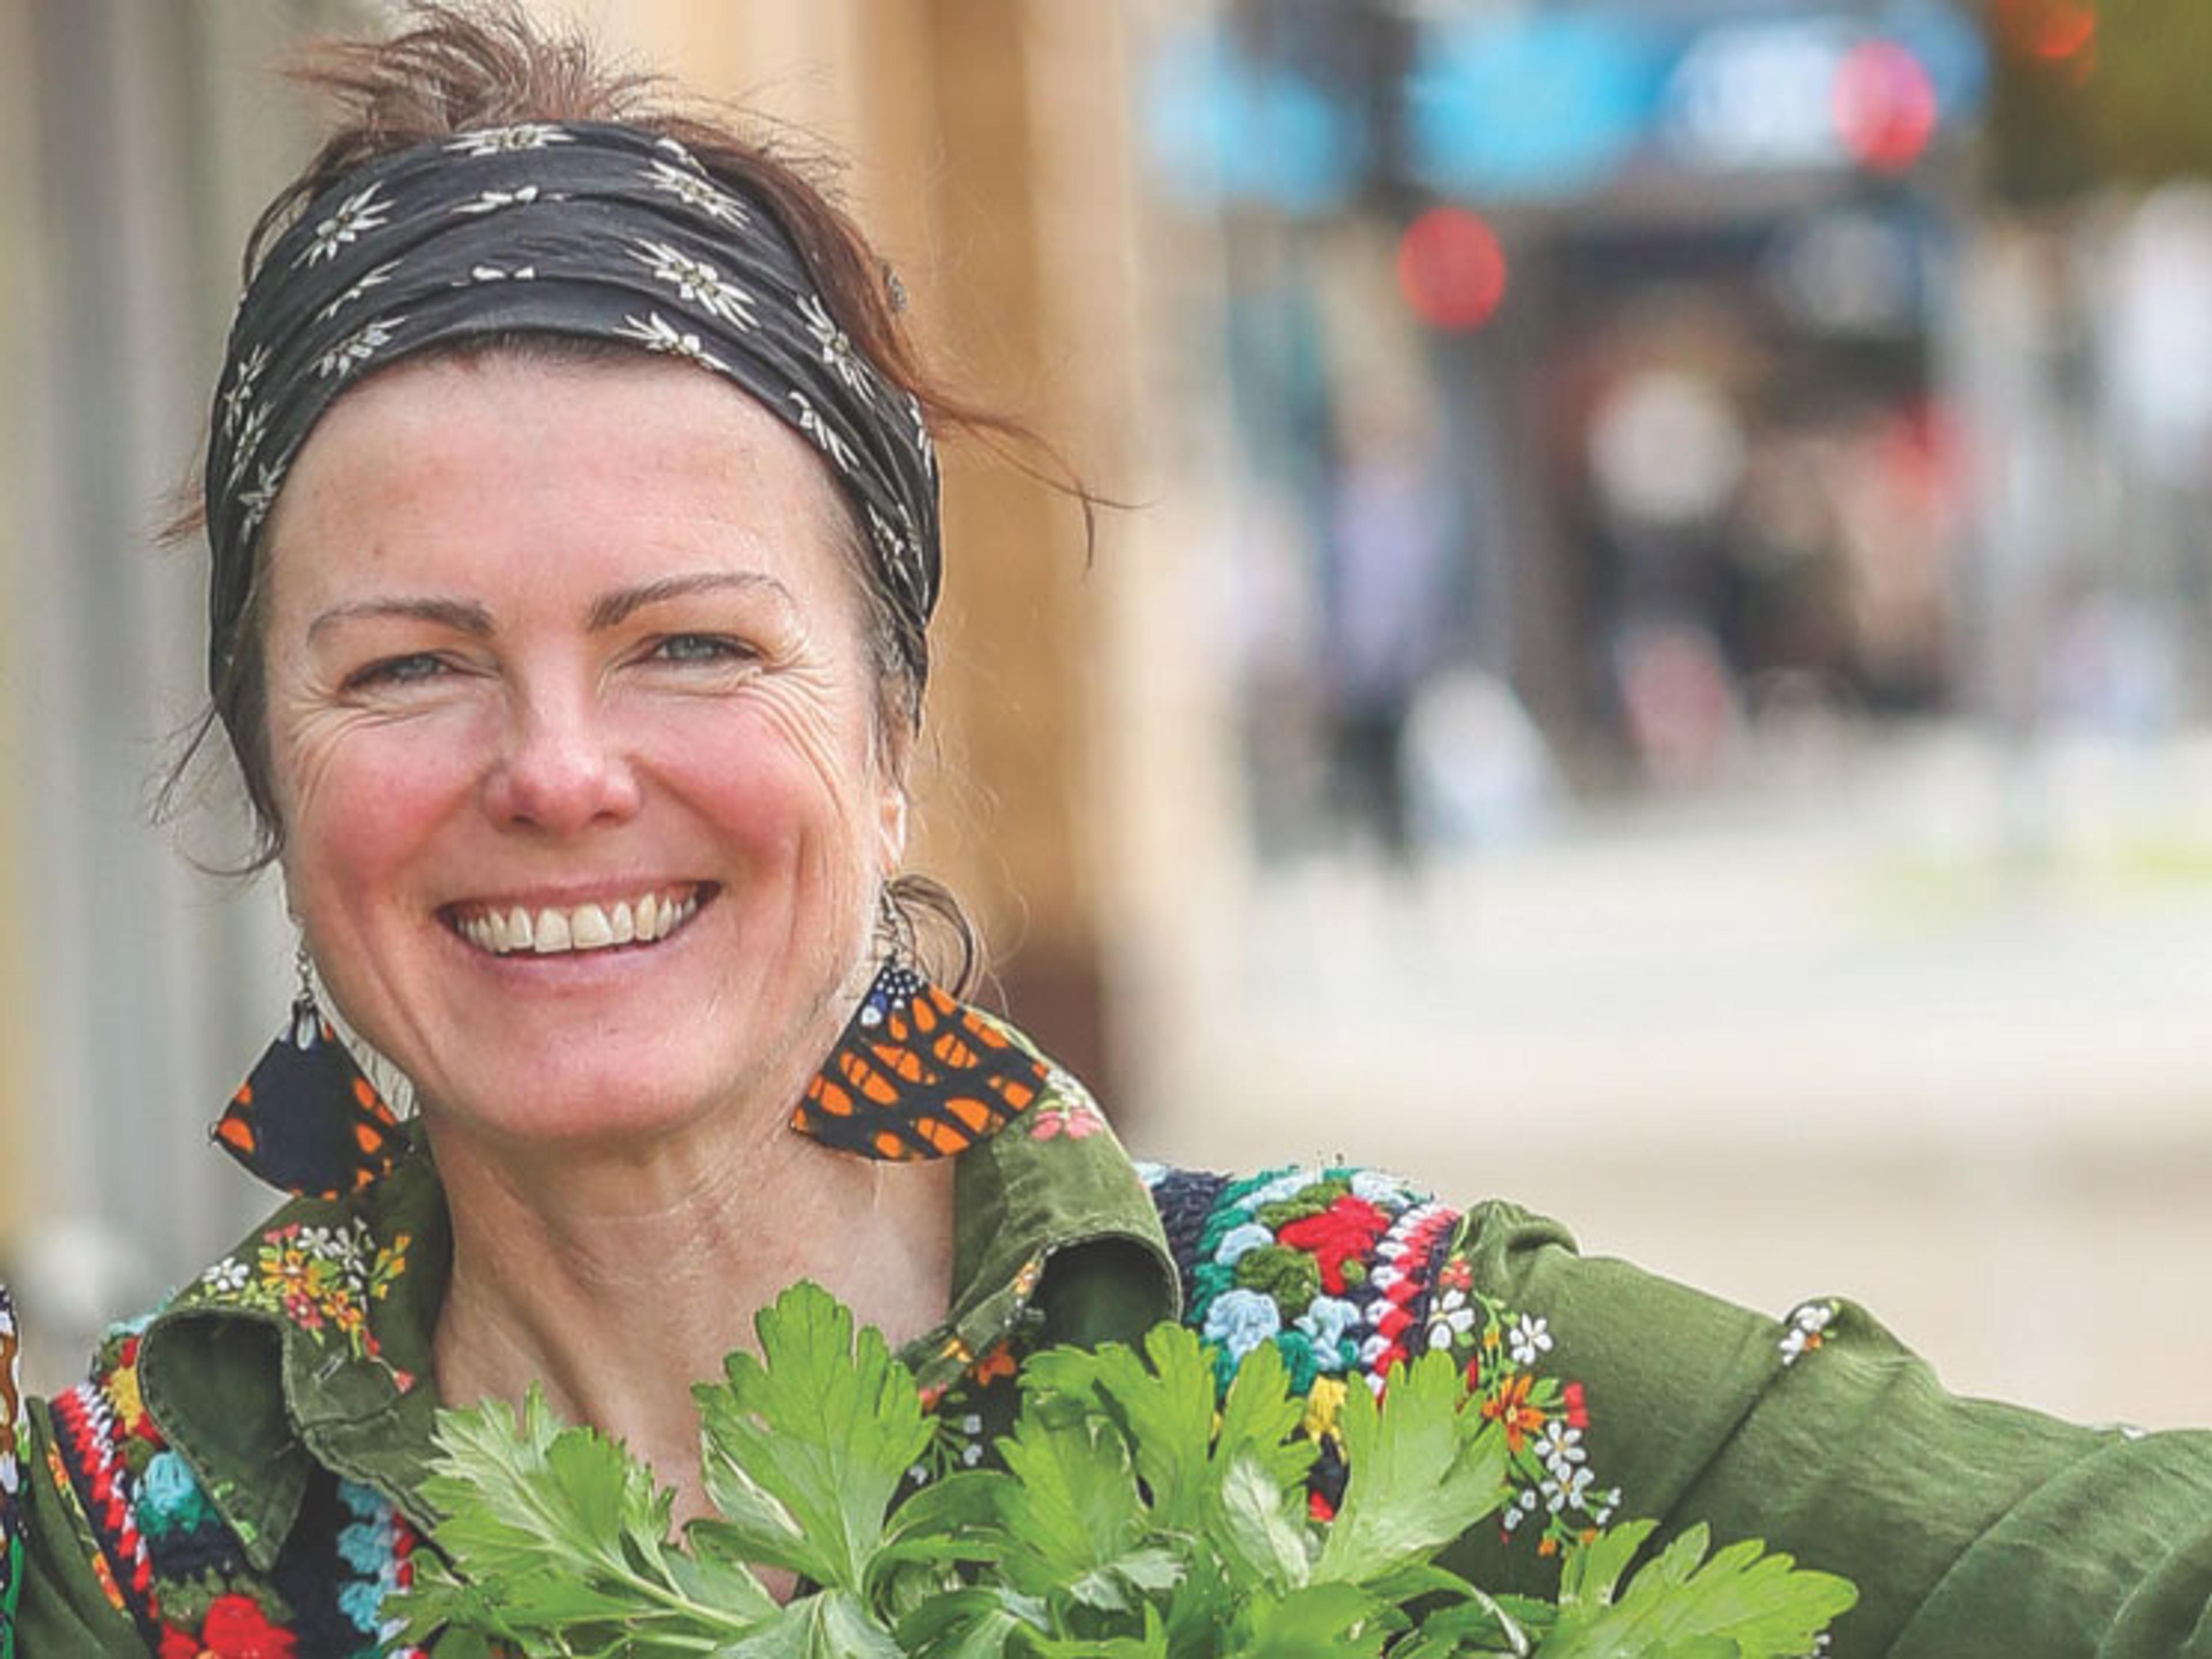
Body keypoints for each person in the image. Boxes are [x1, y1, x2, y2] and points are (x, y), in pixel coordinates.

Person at [9, 7, 2212, 1655]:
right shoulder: (123, 1543)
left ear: (884, 736)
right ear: (273, 769)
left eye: (689, 645)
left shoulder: (1365, 1369)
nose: (560, 768)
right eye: (408, 665)